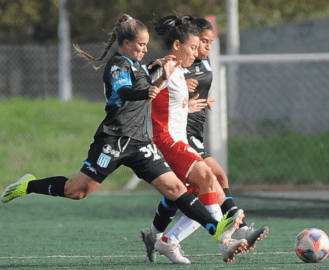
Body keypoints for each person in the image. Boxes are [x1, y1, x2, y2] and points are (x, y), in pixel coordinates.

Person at [0, 14, 245, 260]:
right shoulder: (118, 65)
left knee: (176, 188)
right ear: (126, 43)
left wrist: (163, 79)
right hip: (113, 141)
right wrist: (152, 86)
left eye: (147, 44)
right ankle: (27, 185)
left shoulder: (141, 65)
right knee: (77, 191)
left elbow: (152, 84)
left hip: (140, 143)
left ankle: (216, 230)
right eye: (140, 45)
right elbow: (124, 91)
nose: (145, 49)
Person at [140, 17, 269, 264]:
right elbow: (145, 84)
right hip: (167, 142)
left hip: (179, 141)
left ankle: (167, 241)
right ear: (177, 45)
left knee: (199, 195)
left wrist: (188, 106)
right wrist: (151, 73)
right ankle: (225, 240)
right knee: (210, 178)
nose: (196, 51)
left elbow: (168, 104)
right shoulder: (165, 67)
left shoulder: (178, 71)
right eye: (192, 46)